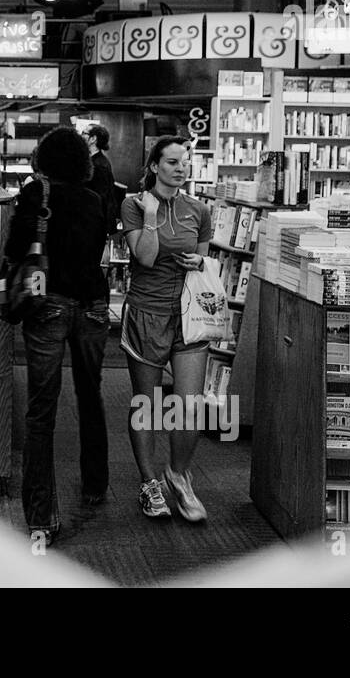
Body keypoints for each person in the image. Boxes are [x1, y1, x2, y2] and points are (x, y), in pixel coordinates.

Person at [4, 126, 110, 545]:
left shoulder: (36, 194)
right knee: (91, 394)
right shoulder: (94, 199)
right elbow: (96, 250)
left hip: (47, 303)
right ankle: (95, 484)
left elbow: (15, 248)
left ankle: (42, 516)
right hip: (94, 305)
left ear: (43, 158)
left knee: (41, 410)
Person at [119, 136, 213, 523]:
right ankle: (149, 481)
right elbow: (145, 256)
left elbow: (204, 260)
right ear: (155, 165)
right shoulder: (134, 204)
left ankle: (178, 474)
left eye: (185, 162)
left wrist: (197, 262)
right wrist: (153, 216)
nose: (181, 168)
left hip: (189, 316)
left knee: (190, 406)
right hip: (146, 313)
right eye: (172, 161)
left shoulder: (200, 210)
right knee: (147, 403)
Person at [84, 124, 121, 235]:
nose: (80, 136)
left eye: (84, 133)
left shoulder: (99, 165)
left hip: (95, 223)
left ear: (93, 139)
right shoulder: (93, 161)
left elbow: (100, 197)